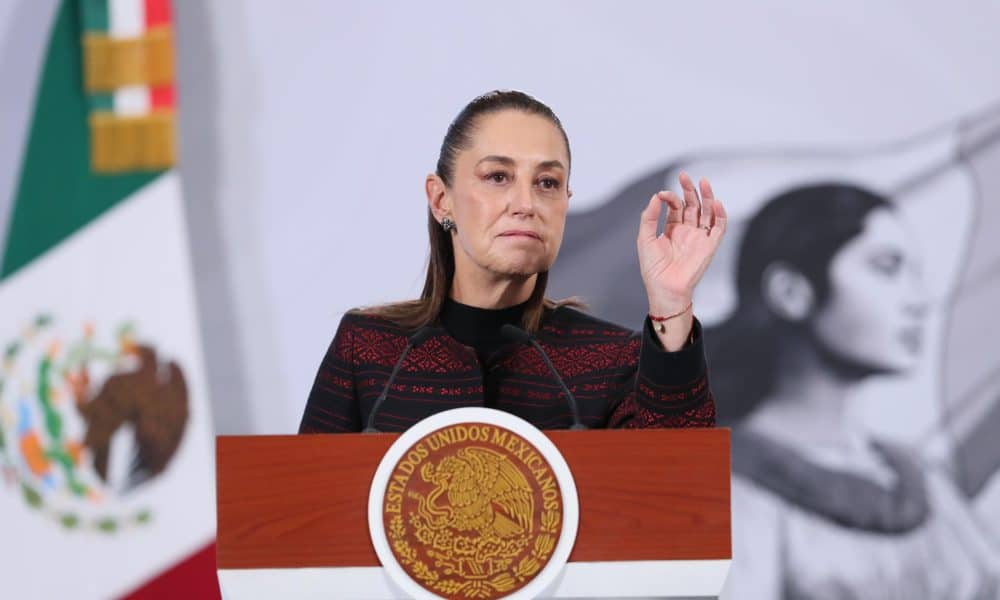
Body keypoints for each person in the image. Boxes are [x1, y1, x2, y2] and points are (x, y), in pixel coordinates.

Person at [298, 90, 726, 434]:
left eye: (547, 183)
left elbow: (677, 489)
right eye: (497, 177)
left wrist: (671, 303)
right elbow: (303, 519)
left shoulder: (612, 359)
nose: (526, 204)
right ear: (440, 198)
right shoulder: (368, 348)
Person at [711, 184, 1000, 598]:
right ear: (791, 292)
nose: (918, 300)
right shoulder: (722, 489)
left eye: (916, 274)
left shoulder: (926, 486)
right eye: (886, 268)